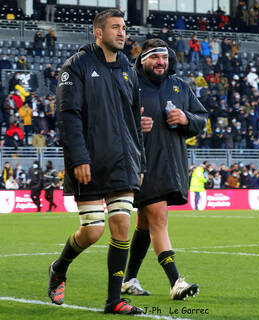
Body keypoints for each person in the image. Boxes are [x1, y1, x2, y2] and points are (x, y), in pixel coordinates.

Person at [48, 9, 145, 315]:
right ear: (98, 33)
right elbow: (68, 114)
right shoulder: (76, 65)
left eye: (124, 28)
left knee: (121, 224)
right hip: (89, 160)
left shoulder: (128, 69)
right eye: (115, 27)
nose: (122, 33)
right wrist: (78, 157)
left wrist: (139, 162)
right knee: (92, 231)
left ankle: (114, 300)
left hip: (122, 161)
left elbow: (133, 120)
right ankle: (59, 267)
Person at [122, 38, 207, 299]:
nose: (161, 62)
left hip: (172, 165)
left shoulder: (180, 86)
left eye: (165, 58)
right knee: (158, 219)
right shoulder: (130, 85)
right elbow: (111, 121)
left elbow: (201, 120)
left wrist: (186, 118)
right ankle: (176, 282)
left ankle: (128, 281)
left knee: (145, 224)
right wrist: (134, 123)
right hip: (141, 165)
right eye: (155, 58)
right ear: (143, 60)